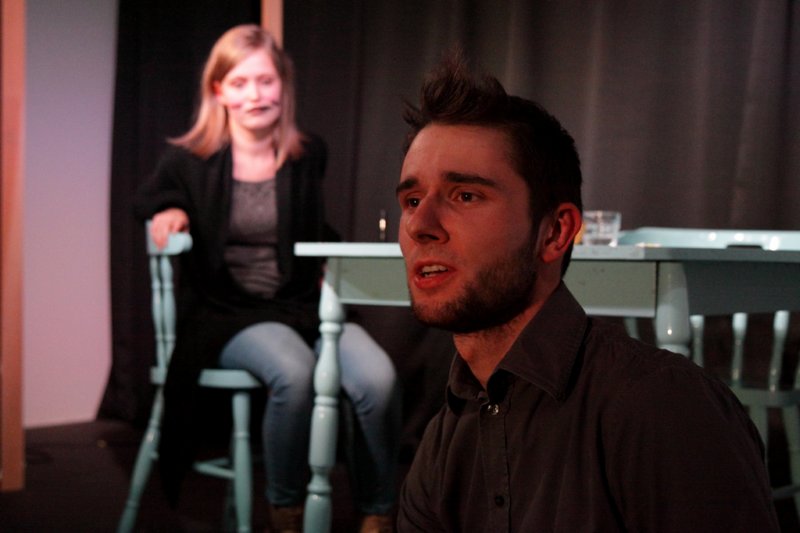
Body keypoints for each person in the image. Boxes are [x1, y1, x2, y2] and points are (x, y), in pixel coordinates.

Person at [394, 56, 779, 532]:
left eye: (465, 195)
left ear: (556, 232)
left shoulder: (663, 408)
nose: (420, 224)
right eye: (412, 200)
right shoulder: (443, 440)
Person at [133, 24, 399, 533]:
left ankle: (377, 512)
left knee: (377, 379)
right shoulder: (189, 160)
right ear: (219, 91)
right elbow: (148, 200)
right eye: (239, 83)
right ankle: (287, 511)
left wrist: (327, 266)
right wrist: (171, 209)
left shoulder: (306, 154)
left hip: (299, 303)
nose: (254, 95)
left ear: (283, 85)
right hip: (227, 313)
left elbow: (309, 228)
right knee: (295, 372)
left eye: (265, 81)